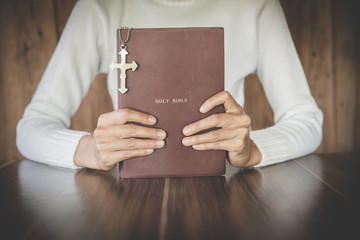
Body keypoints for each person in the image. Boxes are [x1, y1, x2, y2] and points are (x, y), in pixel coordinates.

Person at [16, 0, 323, 170]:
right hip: (131, 187)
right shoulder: (99, 6)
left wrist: (251, 150)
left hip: (225, 186)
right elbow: (31, 128)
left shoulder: (255, 5)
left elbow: (306, 121)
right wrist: (91, 151)